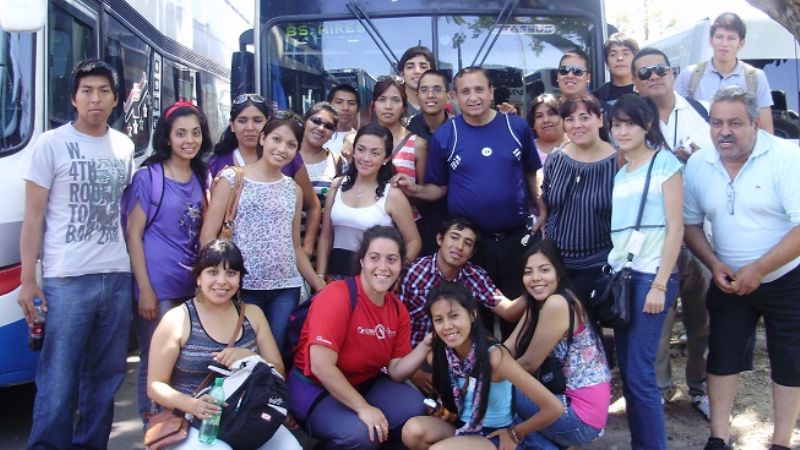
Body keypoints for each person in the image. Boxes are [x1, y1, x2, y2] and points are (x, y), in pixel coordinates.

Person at [18, 59, 135, 449]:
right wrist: (27, 279)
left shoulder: (124, 146)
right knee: (58, 380)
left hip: (117, 276)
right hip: (66, 280)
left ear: (116, 99)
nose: (95, 99)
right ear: (73, 98)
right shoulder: (50, 144)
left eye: (104, 91)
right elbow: (33, 218)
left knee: (105, 379)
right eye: (87, 91)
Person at [683, 86, 800, 450]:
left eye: (735, 123)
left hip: (786, 277)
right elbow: (690, 224)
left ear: (755, 123)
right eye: (717, 123)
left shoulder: (786, 157)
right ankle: (718, 437)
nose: (724, 131)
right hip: (729, 279)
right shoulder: (701, 164)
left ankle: (781, 441)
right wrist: (714, 263)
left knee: (790, 360)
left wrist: (760, 269)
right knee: (722, 355)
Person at [396, 66, 546, 307]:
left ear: (491, 91)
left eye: (479, 89)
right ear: (454, 97)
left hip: (516, 239)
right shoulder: (446, 135)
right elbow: (439, 188)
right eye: (465, 92)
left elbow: (531, 172)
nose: (473, 97)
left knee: (520, 313)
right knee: (474, 318)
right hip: (471, 247)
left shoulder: (516, 127)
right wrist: (414, 189)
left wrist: (541, 208)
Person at [147, 239, 301, 450]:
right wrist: (193, 405)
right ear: (199, 277)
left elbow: (278, 371)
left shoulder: (252, 315)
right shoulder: (177, 319)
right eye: (212, 272)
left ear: (239, 279)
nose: (222, 281)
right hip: (189, 418)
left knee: (290, 447)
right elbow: (155, 386)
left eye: (231, 273)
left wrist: (248, 357)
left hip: (245, 414)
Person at [288, 226, 432, 449]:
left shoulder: (397, 309)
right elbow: (321, 367)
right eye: (375, 258)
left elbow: (395, 371)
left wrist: (426, 345)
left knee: (415, 408)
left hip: (362, 383)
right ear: (363, 261)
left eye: (392, 259)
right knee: (363, 434)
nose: (383, 267)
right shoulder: (337, 295)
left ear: (401, 265)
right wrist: (364, 408)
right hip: (316, 387)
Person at [200, 114, 325, 354]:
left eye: (291, 145)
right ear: (263, 138)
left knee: (275, 354)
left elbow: (294, 247)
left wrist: (319, 286)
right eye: (276, 139)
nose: (282, 149)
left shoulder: (294, 189)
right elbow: (208, 237)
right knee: (240, 353)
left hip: (285, 288)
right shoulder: (232, 179)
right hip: (242, 286)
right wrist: (217, 280)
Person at [633, 47, 713, 416]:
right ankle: (660, 390)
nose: (653, 77)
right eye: (644, 72)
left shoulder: (702, 111)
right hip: (656, 235)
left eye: (659, 69)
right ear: (635, 82)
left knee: (704, 317)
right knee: (658, 321)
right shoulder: (633, 121)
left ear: (672, 72)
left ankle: (701, 388)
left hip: (701, 230)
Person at [124, 101, 212, 423]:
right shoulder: (149, 177)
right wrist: (144, 288)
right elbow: (133, 235)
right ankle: (154, 425)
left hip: (191, 288)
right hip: (158, 290)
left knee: (184, 359)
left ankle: (178, 423)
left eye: (195, 133)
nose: (189, 140)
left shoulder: (203, 175)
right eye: (180, 133)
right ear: (167, 137)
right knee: (154, 360)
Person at [401, 281, 563, 449]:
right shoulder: (441, 353)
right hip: (463, 427)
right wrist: (446, 409)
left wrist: (515, 433)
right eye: (438, 319)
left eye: (454, 316)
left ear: (472, 315)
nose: (447, 326)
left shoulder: (494, 357)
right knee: (412, 432)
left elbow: (553, 407)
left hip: (494, 436)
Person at [608, 94, 684, 450]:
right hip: (625, 277)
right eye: (616, 124)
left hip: (651, 277)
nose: (621, 131)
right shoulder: (623, 171)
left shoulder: (665, 164)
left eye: (629, 124)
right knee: (629, 371)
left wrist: (659, 284)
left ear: (647, 126)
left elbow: (676, 228)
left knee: (640, 373)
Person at [398, 217, 526, 394]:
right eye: (454, 237)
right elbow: (394, 325)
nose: (459, 247)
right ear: (440, 239)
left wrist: (534, 291)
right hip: (415, 354)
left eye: (467, 243)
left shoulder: (475, 275)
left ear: (472, 252)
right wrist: (414, 373)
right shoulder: (413, 273)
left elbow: (508, 311)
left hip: (457, 352)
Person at [506, 240, 611, 449]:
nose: (535, 278)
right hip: (584, 412)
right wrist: (482, 362)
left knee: (501, 391)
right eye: (528, 272)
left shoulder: (558, 303)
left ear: (559, 273)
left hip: (579, 416)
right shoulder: (539, 303)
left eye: (544, 270)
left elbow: (527, 364)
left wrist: (484, 379)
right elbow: (510, 346)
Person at [208, 94, 321, 256]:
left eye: (257, 120)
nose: (250, 127)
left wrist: (307, 249)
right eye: (242, 121)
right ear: (232, 125)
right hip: (231, 260)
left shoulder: (288, 158)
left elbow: (313, 205)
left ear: (267, 123)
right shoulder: (218, 162)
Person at [316, 123, 421, 278]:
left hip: (373, 281)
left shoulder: (392, 195)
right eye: (361, 149)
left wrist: (393, 273)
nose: (366, 158)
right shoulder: (337, 185)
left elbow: (414, 241)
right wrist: (319, 278)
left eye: (375, 153)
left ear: (386, 158)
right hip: (335, 277)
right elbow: (326, 237)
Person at [541, 94, 616, 304]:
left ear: (600, 119)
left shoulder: (619, 163)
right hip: (555, 264)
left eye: (584, 117)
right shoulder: (556, 158)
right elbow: (545, 197)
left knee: (583, 327)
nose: (577, 125)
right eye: (570, 119)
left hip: (597, 264)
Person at [675, 12, 774, 133]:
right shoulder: (690, 75)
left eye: (731, 38)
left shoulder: (755, 78)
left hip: (742, 151)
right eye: (719, 37)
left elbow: (766, 129)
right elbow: (676, 120)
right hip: (700, 149)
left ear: (741, 44)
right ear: (711, 40)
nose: (724, 43)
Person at [405, 68, 452, 256]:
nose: (430, 95)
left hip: (453, 217)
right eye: (424, 90)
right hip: (416, 218)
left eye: (437, 89)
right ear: (417, 96)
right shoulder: (407, 130)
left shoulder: (459, 129)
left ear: (448, 95)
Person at [371, 76, 420, 182]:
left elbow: (424, 191)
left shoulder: (418, 145)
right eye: (382, 99)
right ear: (373, 106)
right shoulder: (360, 140)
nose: (388, 106)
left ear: (404, 108)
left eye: (395, 100)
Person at [299, 102, 342, 206]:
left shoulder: (336, 161)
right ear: (305, 122)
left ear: (332, 133)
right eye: (316, 121)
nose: (321, 128)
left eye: (328, 126)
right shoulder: (286, 155)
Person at [592, 33, 639, 109]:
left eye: (625, 54)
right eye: (613, 55)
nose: (620, 58)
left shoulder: (646, 91)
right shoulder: (596, 98)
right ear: (607, 63)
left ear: (636, 59)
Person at [398, 46, 435, 115]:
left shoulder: (447, 107)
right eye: (410, 67)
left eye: (423, 67)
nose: (417, 71)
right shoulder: (392, 107)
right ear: (402, 74)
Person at [327, 84, 360, 157]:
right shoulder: (319, 137)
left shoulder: (361, 139)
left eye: (351, 103)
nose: (345, 108)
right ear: (329, 106)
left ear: (358, 109)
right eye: (339, 102)